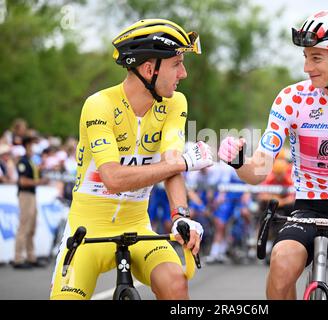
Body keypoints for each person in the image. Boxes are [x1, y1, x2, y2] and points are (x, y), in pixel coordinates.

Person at [218, 10, 328, 299]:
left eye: (315, 57)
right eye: (305, 57)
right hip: (307, 210)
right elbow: (258, 171)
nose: (306, 67)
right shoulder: (291, 99)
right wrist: (238, 160)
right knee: (280, 264)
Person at [50, 19, 213, 300]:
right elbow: (112, 179)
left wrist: (180, 216)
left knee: (175, 283)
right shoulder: (99, 104)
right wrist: (184, 162)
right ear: (150, 69)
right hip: (86, 230)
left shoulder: (175, 102)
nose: (183, 73)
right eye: (177, 64)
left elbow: (172, 163)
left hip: (138, 226)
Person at [13, 136, 49, 269]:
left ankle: (30, 256)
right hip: (25, 194)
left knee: (31, 227)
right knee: (24, 226)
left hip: (32, 194)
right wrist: (39, 182)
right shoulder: (23, 161)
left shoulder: (31, 161)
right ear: (27, 145)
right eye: (33, 144)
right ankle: (18, 258)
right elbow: (22, 181)